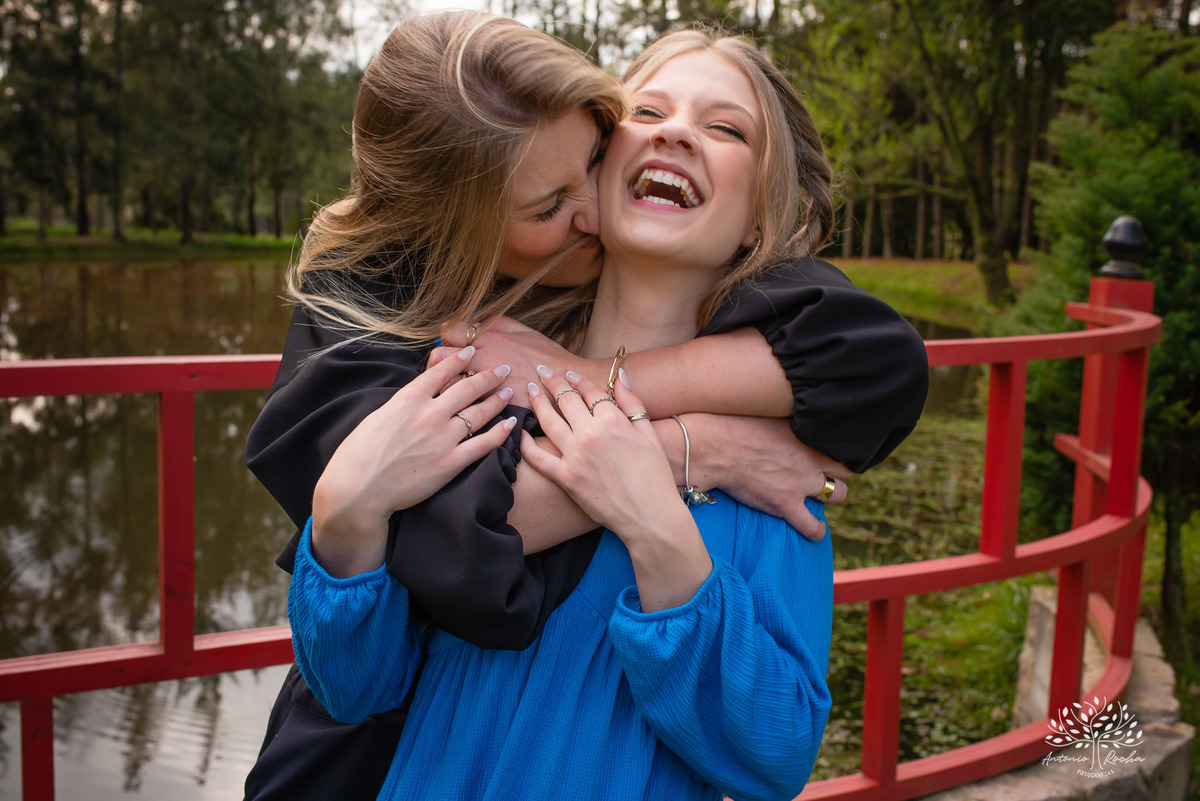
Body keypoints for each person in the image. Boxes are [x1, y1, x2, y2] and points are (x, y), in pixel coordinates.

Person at [244, 11, 927, 801]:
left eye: (725, 129)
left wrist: (660, 529)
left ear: (758, 223)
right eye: (649, 110)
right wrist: (681, 450)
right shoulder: (465, 370)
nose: (675, 132)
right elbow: (354, 680)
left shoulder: (771, 461)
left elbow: (778, 754)